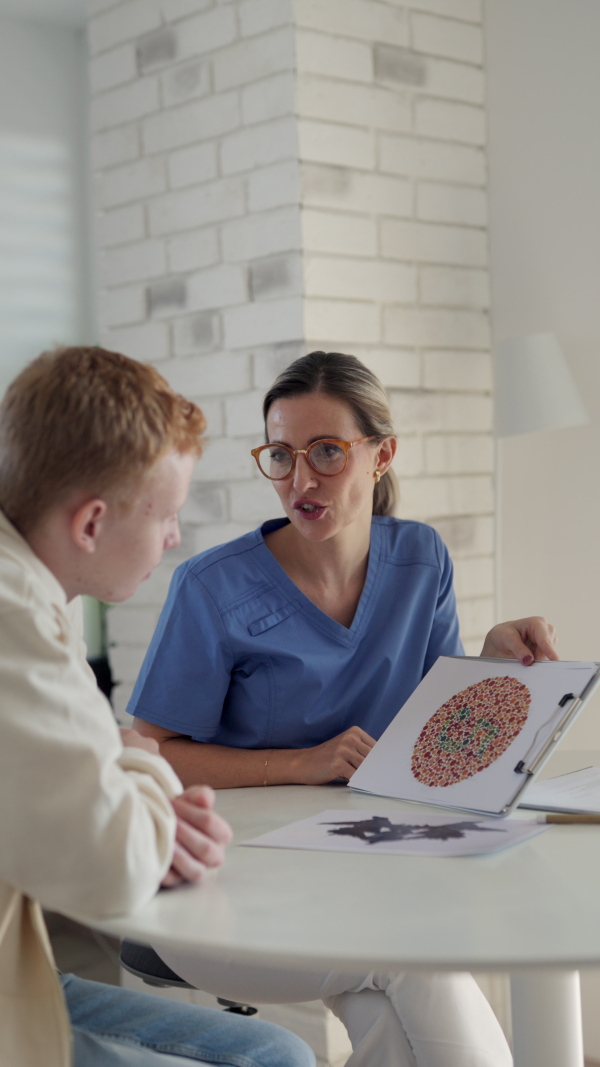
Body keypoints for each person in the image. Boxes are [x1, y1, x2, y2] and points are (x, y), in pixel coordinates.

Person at [128, 351, 558, 1067]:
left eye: (327, 451)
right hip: (219, 892)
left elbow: (430, 735)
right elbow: (150, 750)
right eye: (282, 455)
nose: (300, 480)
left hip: (364, 875)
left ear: (381, 455)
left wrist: (486, 661)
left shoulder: (421, 558)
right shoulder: (211, 587)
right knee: (412, 954)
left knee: (395, 1028)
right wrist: (302, 762)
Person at [0, 345, 315, 1067]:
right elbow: (113, 856)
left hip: (29, 966)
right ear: (90, 524)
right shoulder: (14, 613)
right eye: (166, 515)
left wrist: (127, 781)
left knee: (275, 1045)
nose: (173, 538)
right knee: (278, 1058)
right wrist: (141, 763)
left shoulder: (35, 588)